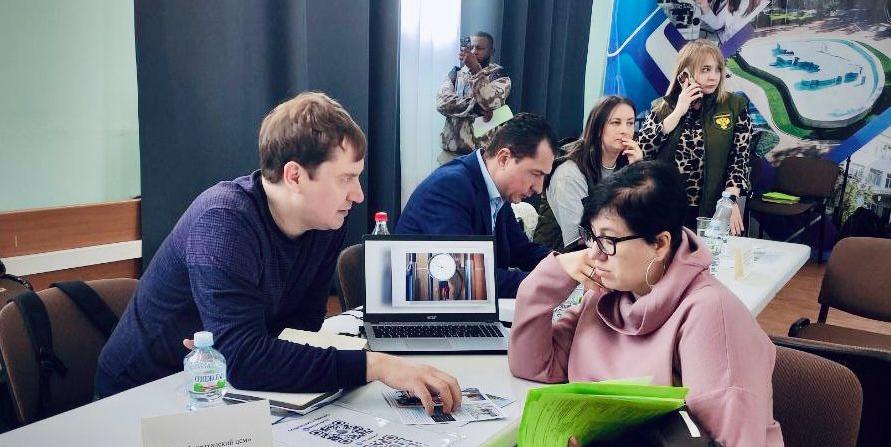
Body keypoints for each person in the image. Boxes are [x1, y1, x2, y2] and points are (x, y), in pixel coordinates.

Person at [96, 92, 461, 415]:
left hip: (221, 389)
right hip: (142, 394)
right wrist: (377, 365)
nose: (358, 195)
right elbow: (245, 360)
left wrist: (247, 348)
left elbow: (298, 330)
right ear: (295, 176)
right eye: (345, 178)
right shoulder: (223, 221)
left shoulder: (324, 222)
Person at [509, 161, 783, 447]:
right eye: (592, 237)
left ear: (660, 244)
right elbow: (534, 365)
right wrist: (554, 273)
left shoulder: (711, 314)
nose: (594, 254)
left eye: (607, 240)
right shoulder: (607, 294)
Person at [396, 113, 555, 298]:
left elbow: (521, 251)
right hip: (421, 307)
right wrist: (549, 283)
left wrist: (565, 264)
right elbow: (466, 277)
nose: (539, 188)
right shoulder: (451, 186)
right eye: (536, 174)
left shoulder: (497, 192)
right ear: (504, 158)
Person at [638, 39, 751, 234]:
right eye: (705, 69)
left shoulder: (734, 105)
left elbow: (739, 158)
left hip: (713, 209)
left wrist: (730, 200)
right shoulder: (661, 107)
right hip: (665, 207)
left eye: (718, 69)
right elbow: (642, 150)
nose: (713, 76)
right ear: (685, 74)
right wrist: (678, 111)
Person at [533, 96, 644, 250]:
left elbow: (640, 218)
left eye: (630, 123)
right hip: (563, 255)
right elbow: (579, 240)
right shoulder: (569, 172)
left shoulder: (628, 163)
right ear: (598, 128)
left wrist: (638, 170)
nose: (625, 130)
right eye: (615, 123)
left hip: (608, 249)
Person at [435, 31, 511, 164]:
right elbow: (442, 103)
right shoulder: (456, 73)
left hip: (482, 155)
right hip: (451, 152)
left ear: (491, 51)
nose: (474, 52)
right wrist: (476, 108)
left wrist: (476, 69)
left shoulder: (499, 76)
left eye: (480, 48)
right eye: (471, 48)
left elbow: (489, 103)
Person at [697, 0, 766, 43]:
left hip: (727, 46)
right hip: (720, 37)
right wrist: (704, 5)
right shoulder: (734, 2)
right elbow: (717, 24)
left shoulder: (764, 6)